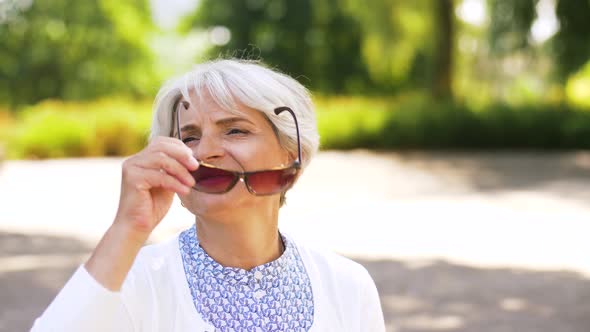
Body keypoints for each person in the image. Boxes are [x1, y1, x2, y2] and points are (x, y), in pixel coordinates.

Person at [30, 59, 385, 331]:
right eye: (189, 137)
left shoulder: (347, 286)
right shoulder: (130, 280)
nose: (204, 152)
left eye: (234, 130)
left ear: (294, 154)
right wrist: (128, 228)